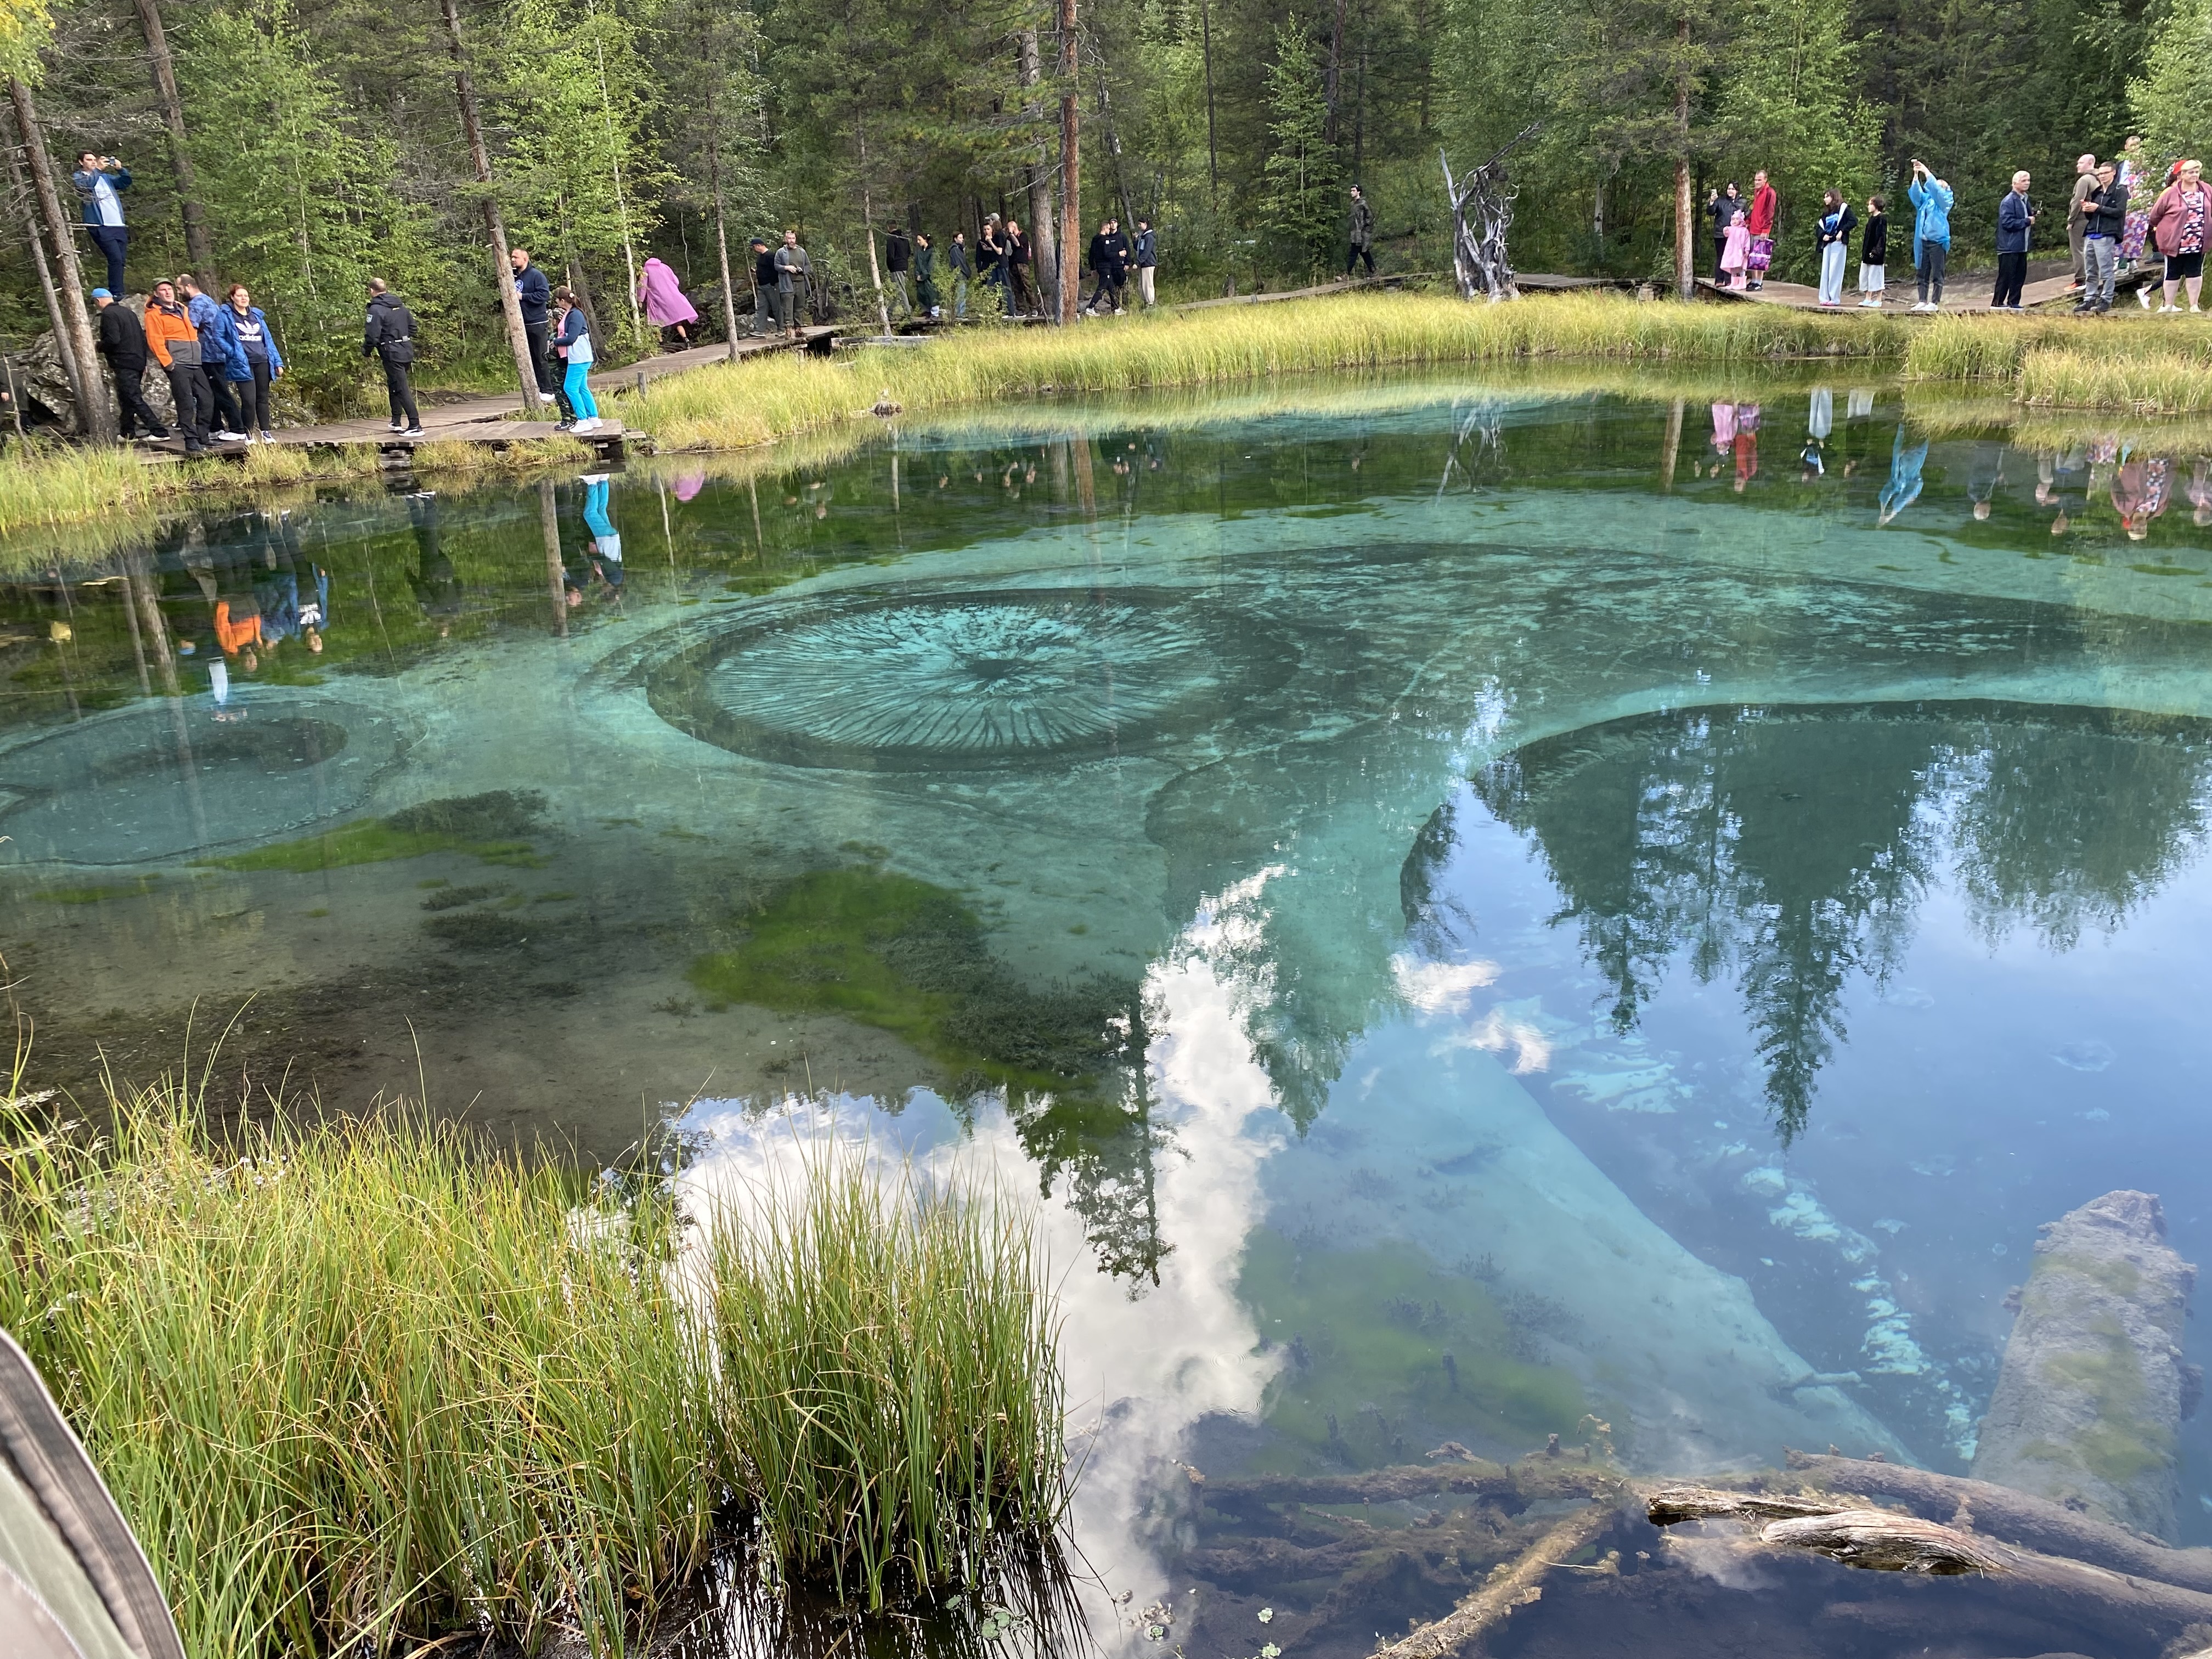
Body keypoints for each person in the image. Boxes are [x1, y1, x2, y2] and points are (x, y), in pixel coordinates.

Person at [91, 288, 167, 441]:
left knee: (133, 397)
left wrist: (99, 346)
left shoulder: (108, 314)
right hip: (137, 361)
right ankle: (128, 433)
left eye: (94, 303)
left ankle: (159, 431)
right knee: (126, 398)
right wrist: (143, 361)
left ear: (98, 301)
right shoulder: (129, 313)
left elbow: (113, 339)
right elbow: (141, 338)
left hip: (124, 362)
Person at [178, 274, 246, 441]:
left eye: (179, 288)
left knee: (220, 392)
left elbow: (190, 328)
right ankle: (216, 427)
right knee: (209, 393)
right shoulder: (207, 300)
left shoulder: (196, 304)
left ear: (188, 287)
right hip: (213, 355)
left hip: (210, 355)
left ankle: (238, 428)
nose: (178, 292)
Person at [144, 279, 207, 453]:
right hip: (177, 364)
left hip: (194, 361)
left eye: (170, 289)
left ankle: (203, 436)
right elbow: (155, 341)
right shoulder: (154, 314)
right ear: (156, 294)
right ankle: (191, 440)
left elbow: (192, 333)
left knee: (207, 398)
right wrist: (169, 364)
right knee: (185, 401)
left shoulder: (182, 309)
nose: (168, 292)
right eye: (163, 290)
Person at [223, 283, 284, 442]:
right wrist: (233, 353)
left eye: (246, 296)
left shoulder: (257, 315)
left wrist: (278, 362)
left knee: (262, 399)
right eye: (239, 296)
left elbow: (268, 340)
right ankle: (248, 434)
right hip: (242, 363)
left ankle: (266, 433)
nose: (244, 298)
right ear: (232, 297)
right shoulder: (226, 315)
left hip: (262, 361)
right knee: (249, 400)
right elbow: (218, 337)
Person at [2146, 158, 2208, 313]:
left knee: (2195, 272)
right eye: (2191, 172)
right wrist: (2166, 230)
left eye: (2197, 172)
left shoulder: (2206, 190)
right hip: (2175, 241)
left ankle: (2194, 306)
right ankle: (2168, 305)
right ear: (2182, 175)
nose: (2195, 175)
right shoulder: (2171, 193)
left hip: (2198, 240)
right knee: (2172, 273)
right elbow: (2155, 216)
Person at [363, 276, 422, 435]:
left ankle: (415, 425)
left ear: (371, 290)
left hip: (391, 353)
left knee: (401, 388)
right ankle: (396, 421)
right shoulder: (400, 306)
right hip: (406, 350)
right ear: (385, 289)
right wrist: (401, 338)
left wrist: (367, 351)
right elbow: (413, 328)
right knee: (394, 384)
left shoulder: (376, 310)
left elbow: (372, 336)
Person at [68, 151, 129, 294]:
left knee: (121, 260)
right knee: (115, 258)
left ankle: (119, 291)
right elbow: (87, 187)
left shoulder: (105, 177)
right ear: (81, 162)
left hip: (118, 224)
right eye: (89, 160)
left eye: (94, 160)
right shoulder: (79, 177)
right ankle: (116, 293)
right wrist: (98, 170)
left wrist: (121, 169)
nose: (93, 162)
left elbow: (125, 182)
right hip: (99, 225)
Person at [511, 247, 560, 408]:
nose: (513, 260)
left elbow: (544, 295)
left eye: (516, 257)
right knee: (529, 359)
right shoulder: (513, 277)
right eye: (512, 257)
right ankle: (536, 388)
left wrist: (523, 297)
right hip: (521, 324)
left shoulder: (536, 276)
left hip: (537, 322)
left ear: (525, 259)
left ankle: (548, 390)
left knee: (540, 357)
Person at [550, 286, 600, 432]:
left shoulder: (575, 315)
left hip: (579, 358)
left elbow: (571, 338)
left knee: (570, 388)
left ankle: (582, 420)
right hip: (580, 357)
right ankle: (593, 418)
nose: (556, 303)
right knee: (582, 388)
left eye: (557, 300)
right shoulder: (571, 313)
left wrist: (556, 342)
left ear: (562, 300)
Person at [2075, 161, 2123, 313]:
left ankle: (2106, 299)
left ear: (2113, 172)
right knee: (2090, 270)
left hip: (2107, 233)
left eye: (2106, 173)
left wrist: (2098, 208)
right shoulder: (2097, 192)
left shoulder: (2120, 190)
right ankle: (2089, 298)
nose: (2102, 176)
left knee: (2106, 269)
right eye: (2100, 174)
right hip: (2091, 232)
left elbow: (2119, 212)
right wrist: (2088, 209)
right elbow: (2092, 215)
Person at [1907, 160, 1954, 311]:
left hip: (1938, 241)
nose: (1933, 189)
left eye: (1938, 186)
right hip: (1923, 241)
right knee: (1922, 272)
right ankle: (1922, 300)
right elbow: (1916, 195)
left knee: (1937, 273)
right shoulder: (1926, 201)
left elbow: (1936, 191)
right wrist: (1916, 176)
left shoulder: (1945, 201)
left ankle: (1934, 302)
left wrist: (1926, 171)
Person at [1993, 171, 2034, 310]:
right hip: (2009, 246)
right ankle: (1997, 303)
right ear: (2014, 183)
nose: (2027, 183)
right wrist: (2026, 221)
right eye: (2024, 181)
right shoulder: (2009, 201)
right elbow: (2007, 223)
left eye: (2028, 180)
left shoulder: (2025, 199)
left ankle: (2014, 302)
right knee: (2006, 276)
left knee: (2019, 276)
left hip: (2022, 245)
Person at [636, 256, 698, 348]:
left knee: (655, 321)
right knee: (677, 321)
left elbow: (643, 286)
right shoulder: (665, 267)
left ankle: (661, 343)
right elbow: (676, 281)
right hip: (672, 296)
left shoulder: (646, 270)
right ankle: (686, 339)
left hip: (657, 299)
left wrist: (640, 300)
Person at [1815, 190, 1855, 306]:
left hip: (1838, 243)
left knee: (1835, 271)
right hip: (1828, 244)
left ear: (1833, 197)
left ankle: (1834, 298)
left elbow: (1853, 221)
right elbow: (1819, 228)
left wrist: (1842, 231)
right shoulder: (1826, 213)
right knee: (1826, 271)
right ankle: (1824, 297)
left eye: (1827, 197)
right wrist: (1823, 236)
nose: (1825, 199)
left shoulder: (1843, 209)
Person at [2067, 155, 2097, 291]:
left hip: (2081, 218)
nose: (2077, 165)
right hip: (2093, 218)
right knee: (2090, 249)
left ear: (2090, 163)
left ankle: (2080, 280)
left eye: (2081, 163)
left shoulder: (2084, 180)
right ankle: (2091, 278)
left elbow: (2078, 200)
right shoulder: (2098, 178)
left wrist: (2071, 220)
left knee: (2078, 249)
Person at [773, 229, 810, 337]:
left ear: (796, 239)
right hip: (787, 284)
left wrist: (802, 270)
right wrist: (787, 268)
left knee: (800, 307)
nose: (791, 240)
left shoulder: (802, 252)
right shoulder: (781, 252)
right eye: (789, 238)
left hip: (801, 282)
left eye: (793, 238)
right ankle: (788, 330)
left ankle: (798, 329)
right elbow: (776, 266)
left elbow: (808, 265)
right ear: (785, 239)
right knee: (788, 308)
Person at [1746, 170, 1778, 290]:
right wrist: (1748, 221)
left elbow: (1770, 213)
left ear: (1765, 180)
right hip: (1753, 228)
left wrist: (1766, 230)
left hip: (1762, 229)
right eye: (1756, 180)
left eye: (1759, 180)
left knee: (1760, 256)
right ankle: (1754, 280)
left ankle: (1759, 282)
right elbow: (1755, 210)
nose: (1757, 182)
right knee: (1753, 256)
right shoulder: (1757, 192)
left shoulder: (1770, 192)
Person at [1857, 194, 1888, 307]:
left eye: (1871, 204)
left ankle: (1879, 300)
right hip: (1867, 253)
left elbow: (1881, 237)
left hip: (1876, 254)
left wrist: (1876, 252)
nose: (1869, 206)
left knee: (1876, 277)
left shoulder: (1881, 219)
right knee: (1865, 276)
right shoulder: (1871, 219)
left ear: (1877, 205)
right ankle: (1868, 298)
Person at [1707, 183, 1743, 281]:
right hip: (1720, 233)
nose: (1730, 191)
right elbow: (1711, 212)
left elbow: (1746, 215)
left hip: (1735, 235)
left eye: (1733, 189)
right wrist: (1712, 202)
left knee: (1732, 257)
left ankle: (1729, 281)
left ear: (1737, 191)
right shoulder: (1720, 201)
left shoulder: (1742, 202)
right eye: (1729, 189)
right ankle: (1719, 280)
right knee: (1721, 256)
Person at [1005, 217, 1034, 314]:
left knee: (1027, 286)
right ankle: (1021, 309)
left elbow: (1018, 244)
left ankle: (1033, 308)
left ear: (1014, 228)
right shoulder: (1009, 239)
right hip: (1012, 265)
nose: (1008, 230)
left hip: (1022, 264)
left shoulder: (1023, 235)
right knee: (1017, 288)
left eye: (1009, 228)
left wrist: (1012, 234)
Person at [1345, 184, 1375, 278]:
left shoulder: (1363, 204)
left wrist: (1364, 226)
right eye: (1351, 191)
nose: (1352, 192)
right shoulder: (1352, 205)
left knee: (1353, 254)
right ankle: (1374, 271)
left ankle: (1346, 274)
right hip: (1354, 234)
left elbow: (1370, 217)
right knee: (1364, 253)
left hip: (1362, 234)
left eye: (1354, 191)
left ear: (1358, 192)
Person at [749, 237, 777, 336]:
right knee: (761, 307)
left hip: (770, 285)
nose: (754, 249)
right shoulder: (760, 257)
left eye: (754, 247)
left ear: (759, 246)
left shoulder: (771, 256)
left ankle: (782, 328)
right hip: (761, 285)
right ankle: (760, 330)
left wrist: (773, 284)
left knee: (776, 307)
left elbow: (775, 271)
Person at [884, 224, 912, 317]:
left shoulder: (892, 239)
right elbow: (909, 252)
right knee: (897, 290)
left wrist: (891, 267)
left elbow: (890, 255)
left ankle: (908, 313)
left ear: (888, 228)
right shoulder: (904, 239)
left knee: (900, 290)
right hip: (904, 266)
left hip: (896, 267)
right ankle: (889, 312)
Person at [1720, 207, 1751, 290]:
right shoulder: (1731, 229)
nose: (1735, 221)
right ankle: (1734, 283)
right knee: (1733, 267)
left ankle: (1742, 283)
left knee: (1741, 267)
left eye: (1737, 219)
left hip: (1740, 252)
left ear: (1741, 220)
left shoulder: (1744, 230)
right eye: (1733, 219)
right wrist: (1725, 230)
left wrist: (1747, 250)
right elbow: (1726, 233)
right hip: (1732, 252)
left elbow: (1747, 241)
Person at [913, 232, 941, 319]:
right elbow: (917, 264)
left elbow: (931, 266)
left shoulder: (932, 251)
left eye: (920, 240)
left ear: (925, 240)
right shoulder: (919, 252)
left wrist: (924, 276)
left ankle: (935, 313)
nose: (918, 242)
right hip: (921, 278)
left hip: (930, 278)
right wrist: (917, 275)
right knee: (923, 294)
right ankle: (927, 311)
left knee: (933, 294)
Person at [1133, 217, 1158, 306]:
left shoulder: (1149, 237)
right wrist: (1135, 240)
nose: (1139, 226)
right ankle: (1145, 302)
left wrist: (1138, 262)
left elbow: (1147, 252)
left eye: (1140, 224)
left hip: (1148, 263)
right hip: (1143, 264)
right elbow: (1139, 249)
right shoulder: (1143, 236)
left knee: (1148, 284)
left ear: (1146, 224)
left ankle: (1150, 303)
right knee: (1143, 284)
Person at [948, 230, 971, 320]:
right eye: (960, 238)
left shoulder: (959, 249)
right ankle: (960, 314)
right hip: (960, 274)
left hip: (961, 274)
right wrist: (967, 272)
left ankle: (960, 313)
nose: (962, 240)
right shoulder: (955, 250)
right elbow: (960, 264)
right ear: (955, 239)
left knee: (961, 293)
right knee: (961, 294)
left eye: (962, 238)